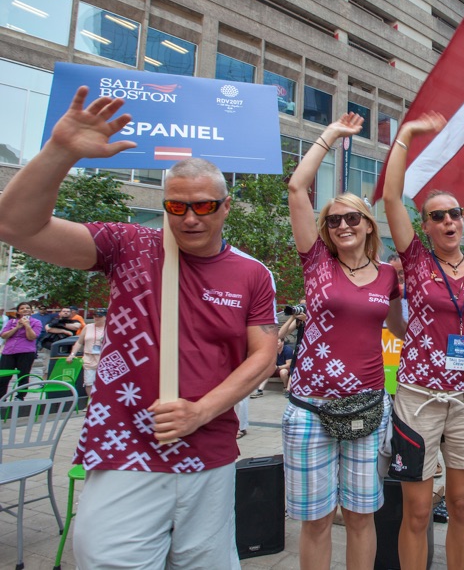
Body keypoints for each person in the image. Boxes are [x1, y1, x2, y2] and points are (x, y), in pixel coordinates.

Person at [0, 86, 278, 568]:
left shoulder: (252, 274)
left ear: (226, 206)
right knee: (108, 560)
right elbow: (16, 226)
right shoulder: (130, 245)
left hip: (209, 450)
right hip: (126, 444)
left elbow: (263, 358)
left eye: (205, 206)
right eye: (177, 207)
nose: (190, 218)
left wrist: (200, 412)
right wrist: (60, 151)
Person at [286, 112, 405, 570]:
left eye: (352, 217)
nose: (343, 225)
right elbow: (298, 189)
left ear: (369, 224)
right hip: (309, 407)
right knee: (315, 521)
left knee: (360, 516)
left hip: (366, 408)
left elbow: (399, 328)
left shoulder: (390, 274)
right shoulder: (316, 262)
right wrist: (329, 136)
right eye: (334, 220)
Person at [383, 113, 464, 570]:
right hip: (417, 398)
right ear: (425, 226)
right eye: (438, 216)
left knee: (462, 504)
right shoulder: (414, 261)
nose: (450, 221)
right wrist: (407, 137)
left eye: (455, 214)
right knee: (416, 509)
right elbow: (391, 195)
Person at [0, 302, 43, 397]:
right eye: (22, 308)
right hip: (9, 352)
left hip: (26, 352)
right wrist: (16, 328)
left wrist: (27, 325)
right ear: (18, 312)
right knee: (3, 376)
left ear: (31, 311)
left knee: (23, 376)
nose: (25, 310)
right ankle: (2, 398)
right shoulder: (11, 322)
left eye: (27, 308)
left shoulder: (36, 322)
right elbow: (3, 335)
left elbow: (32, 337)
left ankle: (20, 397)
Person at [66, 307, 108, 399]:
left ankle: (103, 401)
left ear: (106, 317)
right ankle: (91, 401)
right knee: (89, 382)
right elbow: (79, 342)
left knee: (104, 382)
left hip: (104, 358)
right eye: (95, 316)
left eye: (99, 316)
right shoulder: (88, 327)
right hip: (89, 357)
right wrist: (72, 354)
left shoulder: (109, 328)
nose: (96, 318)